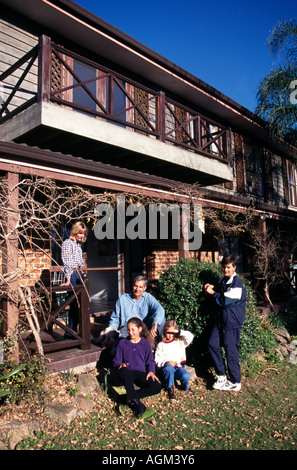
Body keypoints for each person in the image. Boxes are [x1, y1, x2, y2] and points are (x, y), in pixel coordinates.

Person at [204, 254, 246, 391]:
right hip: (220, 321)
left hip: (232, 322)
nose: (225, 270)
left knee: (230, 351)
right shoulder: (223, 280)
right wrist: (213, 287)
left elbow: (225, 301)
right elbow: (221, 290)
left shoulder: (237, 284)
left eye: (228, 267)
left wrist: (212, 293)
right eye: (223, 267)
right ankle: (221, 375)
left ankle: (235, 381)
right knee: (212, 343)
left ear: (234, 267)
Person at [112, 317, 161, 418]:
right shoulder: (122, 343)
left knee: (157, 386)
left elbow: (150, 361)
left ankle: (125, 398)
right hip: (127, 373)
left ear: (139, 329)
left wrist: (151, 372)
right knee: (124, 371)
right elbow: (116, 361)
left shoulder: (146, 344)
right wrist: (120, 365)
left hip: (140, 373)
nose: (130, 332)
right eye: (128, 330)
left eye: (132, 329)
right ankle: (138, 404)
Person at [107, 275, 166, 341]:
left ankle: (158, 344)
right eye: (135, 286)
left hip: (143, 327)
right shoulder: (122, 299)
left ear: (145, 288)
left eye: (140, 287)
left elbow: (159, 309)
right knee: (121, 344)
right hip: (127, 329)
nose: (137, 289)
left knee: (162, 319)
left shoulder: (148, 297)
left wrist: (155, 325)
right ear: (132, 286)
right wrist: (110, 332)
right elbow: (115, 318)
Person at [60, 221, 88, 337]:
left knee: (81, 305)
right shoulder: (67, 243)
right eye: (80, 233)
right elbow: (67, 263)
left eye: (83, 234)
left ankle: (74, 332)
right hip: (71, 275)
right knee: (74, 305)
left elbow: (79, 264)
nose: (82, 236)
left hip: (79, 275)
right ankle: (69, 333)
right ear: (75, 232)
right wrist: (67, 280)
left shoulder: (78, 245)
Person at [154, 320, 194, 399]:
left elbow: (190, 336)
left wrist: (178, 331)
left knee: (186, 376)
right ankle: (170, 389)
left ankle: (185, 386)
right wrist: (166, 363)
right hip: (167, 368)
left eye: (172, 333)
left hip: (178, 367)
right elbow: (157, 360)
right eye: (168, 332)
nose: (170, 335)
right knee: (169, 368)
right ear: (164, 332)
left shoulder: (180, 342)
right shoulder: (161, 345)